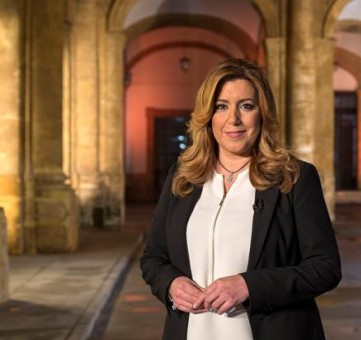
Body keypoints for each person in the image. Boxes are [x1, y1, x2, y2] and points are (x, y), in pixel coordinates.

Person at [140, 58, 342, 340]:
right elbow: (153, 257)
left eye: (246, 106)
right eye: (222, 106)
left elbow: (325, 267)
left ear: (262, 114)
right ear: (208, 116)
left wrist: (250, 286)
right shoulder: (183, 177)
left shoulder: (294, 177)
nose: (233, 119)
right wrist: (171, 284)